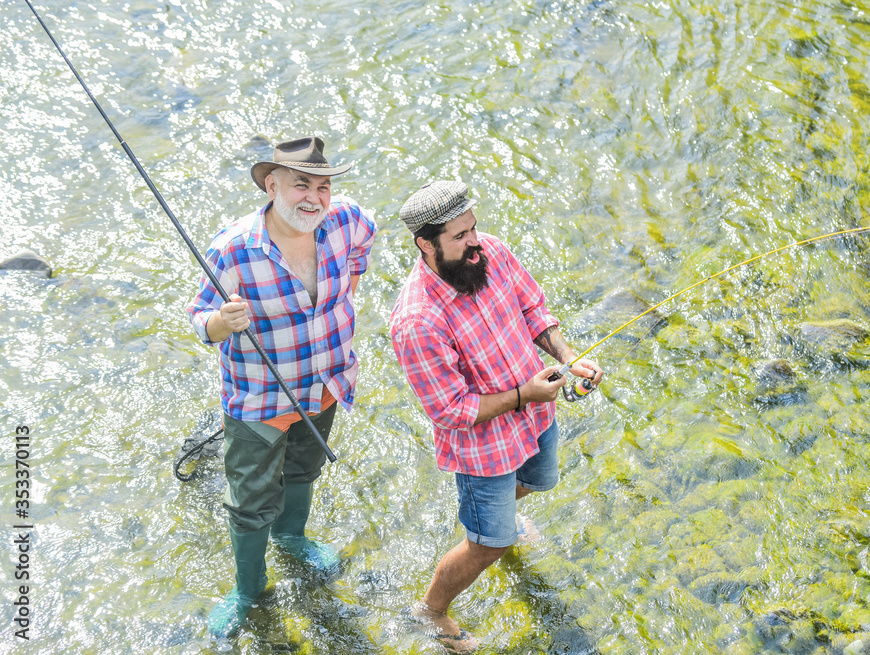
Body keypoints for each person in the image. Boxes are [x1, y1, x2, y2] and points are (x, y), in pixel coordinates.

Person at [388, 180, 603, 652]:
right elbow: (450, 411)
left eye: (474, 228)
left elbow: (532, 309)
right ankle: (430, 611)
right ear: (426, 244)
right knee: (489, 546)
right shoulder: (416, 321)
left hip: (535, 418)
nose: (474, 244)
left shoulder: (492, 253)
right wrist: (525, 394)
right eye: (460, 236)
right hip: (484, 451)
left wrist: (569, 357)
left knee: (542, 481)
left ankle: (498, 518)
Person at [187, 136, 377, 639]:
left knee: (305, 468)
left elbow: (362, 247)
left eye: (323, 185)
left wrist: (348, 288)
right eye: (300, 185)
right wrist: (223, 323)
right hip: (259, 399)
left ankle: (293, 538)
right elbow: (199, 320)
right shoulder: (233, 248)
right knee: (249, 502)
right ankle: (249, 589)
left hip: (325, 383)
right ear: (272, 186)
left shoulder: (348, 220)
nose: (314, 197)